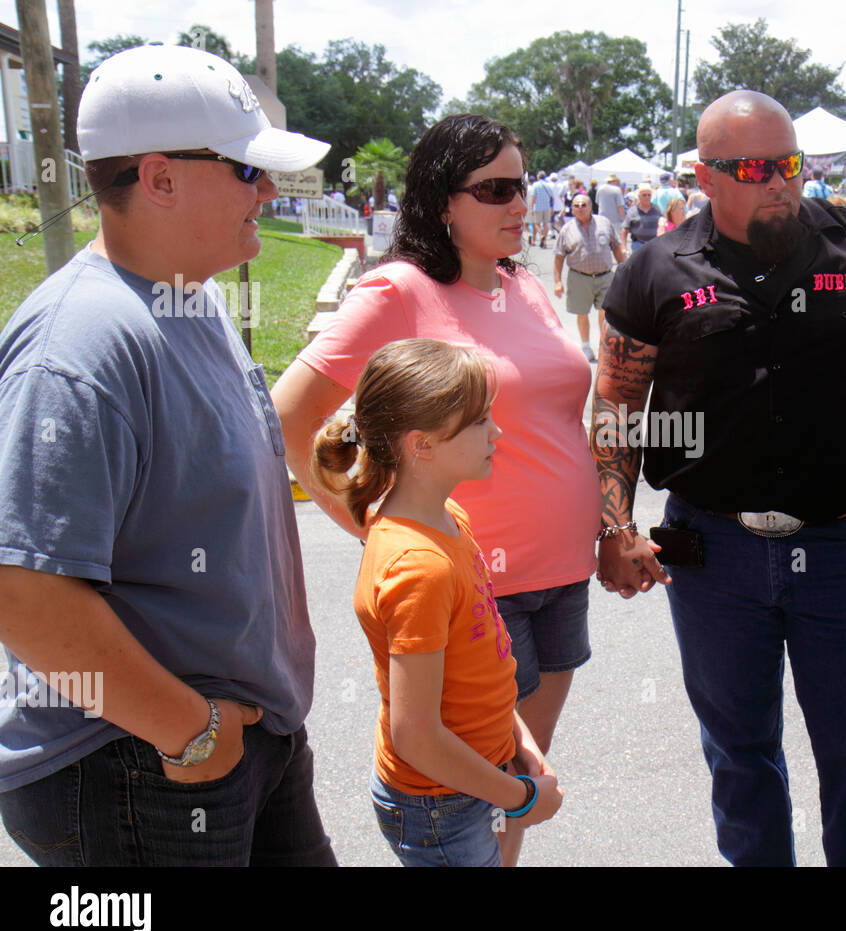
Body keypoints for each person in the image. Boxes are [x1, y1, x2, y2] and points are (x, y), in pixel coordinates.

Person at [594, 90, 846, 866]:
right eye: (757, 168)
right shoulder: (656, 272)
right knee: (738, 753)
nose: (782, 182)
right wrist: (615, 528)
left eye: (790, 164)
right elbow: (617, 404)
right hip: (712, 551)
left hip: (844, 549)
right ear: (706, 176)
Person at [0, 44, 335, 866]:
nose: (268, 190)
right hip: (138, 765)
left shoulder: (191, 295)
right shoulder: (80, 345)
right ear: (159, 179)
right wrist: (193, 734)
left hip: (221, 742)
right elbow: (23, 594)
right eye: (248, 171)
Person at [271, 114, 600, 868]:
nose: (520, 204)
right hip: (475, 585)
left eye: (523, 184)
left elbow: (555, 412)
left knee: (520, 777)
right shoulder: (400, 289)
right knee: (477, 794)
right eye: (495, 189)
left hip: (561, 576)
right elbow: (292, 415)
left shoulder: (524, 285)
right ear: (442, 202)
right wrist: (377, 527)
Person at [311, 339, 562, 866]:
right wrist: (520, 798)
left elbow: (484, 659)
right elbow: (417, 736)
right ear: (421, 445)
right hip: (441, 803)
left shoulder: (448, 517)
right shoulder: (418, 566)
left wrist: (521, 746)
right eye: (477, 422)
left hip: (475, 779)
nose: (496, 432)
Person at [554, 193, 626, 361]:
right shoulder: (567, 229)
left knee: (606, 311)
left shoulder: (604, 223)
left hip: (605, 276)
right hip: (579, 277)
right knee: (582, 313)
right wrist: (557, 281)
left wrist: (625, 270)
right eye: (576, 205)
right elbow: (559, 256)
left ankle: (604, 344)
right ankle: (586, 346)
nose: (580, 208)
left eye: (583, 205)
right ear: (572, 209)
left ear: (590, 206)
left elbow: (616, 247)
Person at [621, 185, 662, 252]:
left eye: (649, 195)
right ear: (639, 196)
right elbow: (625, 229)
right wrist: (623, 247)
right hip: (638, 244)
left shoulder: (657, 210)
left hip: (654, 244)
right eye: (644, 195)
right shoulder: (632, 211)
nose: (647, 197)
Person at [527, 173, 554, 248]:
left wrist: (532, 208)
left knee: (536, 223)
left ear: (538, 177)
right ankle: (544, 241)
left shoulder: (535, 185)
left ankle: (541, 234)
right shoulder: (548, 185)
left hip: (538, 207)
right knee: (546, 223)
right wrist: (552, 208)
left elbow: (534, 197)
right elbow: (552, 198)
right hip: (547, 207)